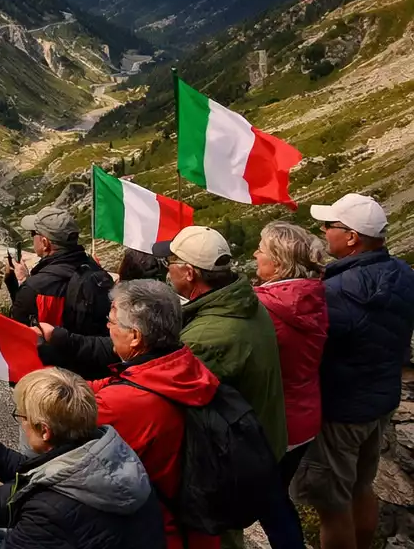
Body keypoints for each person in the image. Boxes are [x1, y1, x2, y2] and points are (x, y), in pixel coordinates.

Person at [294, 194, 414, 549]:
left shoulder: (334, 292)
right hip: (381, 400)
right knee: (362, 486)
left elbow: (313, 348)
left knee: (333, 505)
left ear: (352, 237)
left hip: (340, 411)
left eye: (330, 226)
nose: (323, 231)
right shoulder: (403, 273)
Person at [0, 367, 164, 549]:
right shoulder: (109, 453)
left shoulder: (49, 511)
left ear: (44, 430)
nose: (21, 423)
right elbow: (27, 474)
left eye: (21, 416)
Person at [88, 280, 223, 549]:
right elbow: (109, 385)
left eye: (111, 321)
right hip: (197, 529)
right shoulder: (182, 366)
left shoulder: (125, 402)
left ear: (135, 336)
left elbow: (62, 439)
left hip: (156, 534)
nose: (108, 327)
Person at [156, 226, 288, 459]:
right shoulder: (245, 302)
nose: (168, 269)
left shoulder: (203, 338)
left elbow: (168, 405)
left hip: (241, 457)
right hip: (265, 440)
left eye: (170, 262)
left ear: (189, 273)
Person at [250, 221, 329, 549]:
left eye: (261, 250)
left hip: (278, 420)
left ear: (279, 263)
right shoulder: (314, 294)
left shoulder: (265, 307)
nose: (255, 255)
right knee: (276, 496)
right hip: (306, 415)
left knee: (269, 504)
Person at [8, 206, 111, 335]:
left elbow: (18, 329)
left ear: (45, 243)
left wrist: (21, 283)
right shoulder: (94, 269)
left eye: (33, 233)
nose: (32, 237)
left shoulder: (35, 287)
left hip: (57, 347)